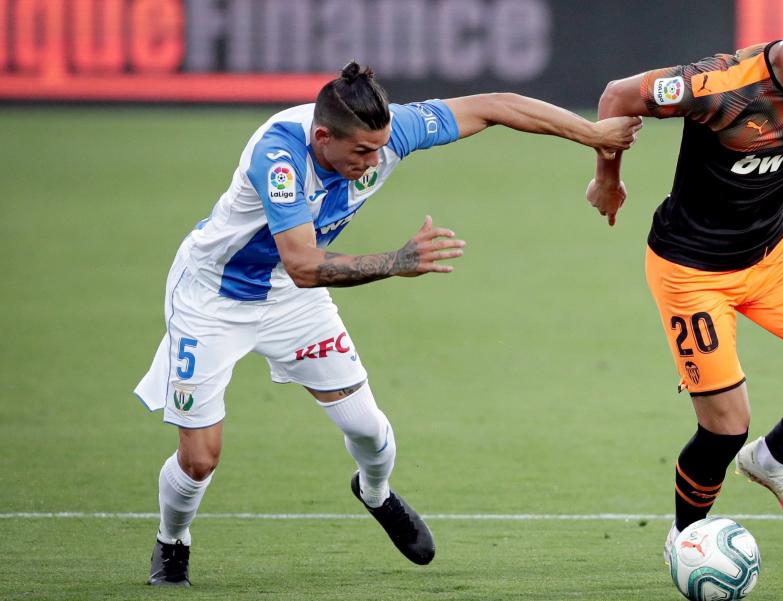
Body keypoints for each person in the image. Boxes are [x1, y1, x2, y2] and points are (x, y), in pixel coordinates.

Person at [134, 61, 641, 586]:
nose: (375, 160)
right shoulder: (279, 157)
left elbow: (494, 107)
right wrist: (395, 262)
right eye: (361, 152)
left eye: (380, 147)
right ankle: (173, 543)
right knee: (200, 459)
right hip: (213, 300)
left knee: (369, 431)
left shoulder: (384, 133)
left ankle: (374, 493)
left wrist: (592, 134)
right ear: (322, 136)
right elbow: (305, 265)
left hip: (289, 301)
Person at [585, 0, 783, 560]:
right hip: (691, 271)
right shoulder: (719, 84)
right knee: (725, 428)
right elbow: (615, 96)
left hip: (774, 255)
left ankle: (772, 460)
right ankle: (685, 539)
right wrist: (607, 178)